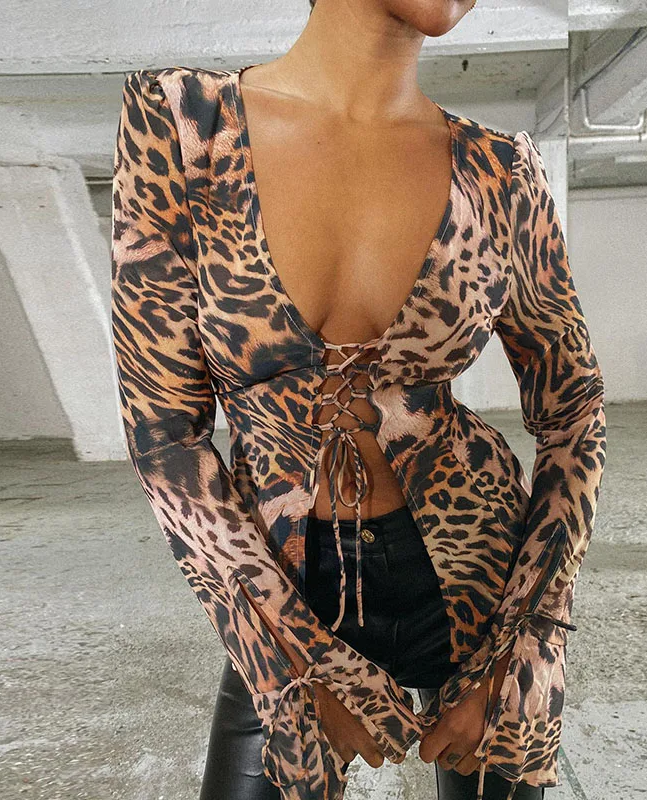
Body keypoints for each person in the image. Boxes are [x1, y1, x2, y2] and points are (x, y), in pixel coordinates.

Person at [109, 1, 607, 799]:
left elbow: (574, 407)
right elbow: (164, 432)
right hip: (284, 584)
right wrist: (293, 665)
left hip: (479, 581)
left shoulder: (503, 172)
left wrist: (525, 644)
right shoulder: (185, 127)